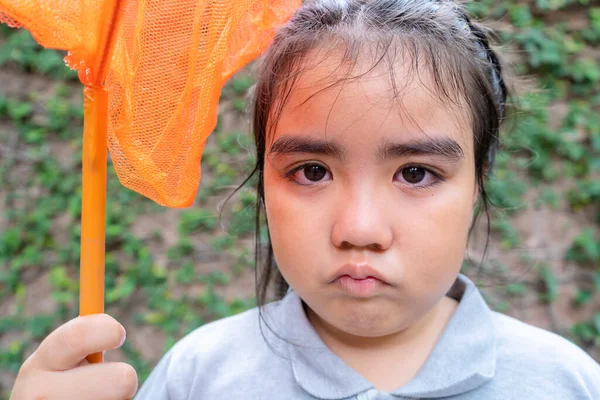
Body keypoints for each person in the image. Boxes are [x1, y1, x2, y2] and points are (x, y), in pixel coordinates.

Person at [10, 0, 600, 399]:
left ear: (477, 187)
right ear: (262, 182)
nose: (360, 228)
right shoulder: (200, 378)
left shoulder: (564, 383)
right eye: (312, 170)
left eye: (416, 173)